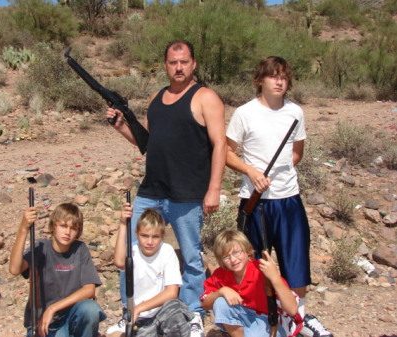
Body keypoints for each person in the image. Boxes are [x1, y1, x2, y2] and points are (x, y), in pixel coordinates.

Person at [106, 40, 226, 335]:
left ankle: (193, 312)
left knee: (192, 256)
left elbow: (220, 144)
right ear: (165, 65)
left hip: (187, 193)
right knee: (132, 253)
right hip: (151, 190)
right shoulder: (156, 98)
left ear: (193, 63)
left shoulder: (205, 97)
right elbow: (148, 142)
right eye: (173, 62)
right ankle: (130, 310)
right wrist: (122, 126)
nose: (179, 67)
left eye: (184, 61)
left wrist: (214, 189)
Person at [225, 56, 333, 337]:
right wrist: (251, 171)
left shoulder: (295, 112)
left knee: (295, 263)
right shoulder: (244, 113)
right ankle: (259, 319)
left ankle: (297, 319)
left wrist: (281, 176)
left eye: (284, 77)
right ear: (260, 80)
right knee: (254, 265)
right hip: (254, 201)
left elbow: (297, 153)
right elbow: (226, 152)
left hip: (288, 199)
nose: (279, 81)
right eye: (273, 76)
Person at [9, 203, 106, 337]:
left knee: (91, 309)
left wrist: (53, 308)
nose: (67, 232)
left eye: (73, 228)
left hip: (71, 317)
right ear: (53, 226)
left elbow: (89, 290)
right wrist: (23, 229)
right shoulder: (41, 247)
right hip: (44, 324)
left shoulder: (80, 249)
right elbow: (14, 269)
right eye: (63, 226)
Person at [113, 202, 196, 336]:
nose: (150, 242)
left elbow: (172, 292)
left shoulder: (167, 251)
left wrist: (139, 308)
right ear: (136, 234)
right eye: (144, 236)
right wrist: (123, 224)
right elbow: (118, 262)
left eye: (155, 237)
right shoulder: (132, 252)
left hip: (162, 312)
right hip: (139, 319)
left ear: (162, 236)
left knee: (174, 309)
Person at [201, 230, 302, 337]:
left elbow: (292, 310)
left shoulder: (261, 270)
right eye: (226, 257)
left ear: (247, 250)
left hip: (271, 322)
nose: (233, 259)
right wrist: (222, 291)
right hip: (246, 319)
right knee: (220, 302)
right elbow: (205, 304)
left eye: (237, 252)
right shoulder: (220, 274)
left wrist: (274, 277)